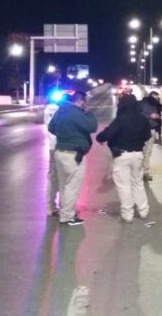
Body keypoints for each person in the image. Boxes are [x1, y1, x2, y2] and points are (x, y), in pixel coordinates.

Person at [96, 95, 151, 223]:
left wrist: (102, 137)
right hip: (138, 154)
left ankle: (128, 214)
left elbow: (106, 135)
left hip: (122, 155)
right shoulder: (142, 119)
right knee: (137, 183)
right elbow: (147, 136)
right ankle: (144, 210)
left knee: (124, 185)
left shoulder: (120, 120)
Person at [47, 91, 97, 226]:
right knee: (72, 186)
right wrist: (89, 113)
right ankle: (67, 216)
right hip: (74, 154)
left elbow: (51, 128)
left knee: (64, 185)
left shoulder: (61, 111)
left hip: (60, 151)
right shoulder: (77, 113)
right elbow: (92, 127)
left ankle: (65, 211)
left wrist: (64, 134)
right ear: (80, 101)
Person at [138, 91, 161, 181]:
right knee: (141, 151)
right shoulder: (142, 104)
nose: (156, 98)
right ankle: (138, 171)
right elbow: (138, 114)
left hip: (152, 129)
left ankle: (145, 172)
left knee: (148, 152)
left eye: (157, 97)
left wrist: (159, 117)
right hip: (142, 130)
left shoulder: (156, 105)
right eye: (155, 96)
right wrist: (150, 116)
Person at [43, 101, 60, 217]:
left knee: (52, 178)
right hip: (64, 145)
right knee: (66, 178)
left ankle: (50, 207)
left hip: (52, 147)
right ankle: (65, 207)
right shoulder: (63, 110)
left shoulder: (47, 109)